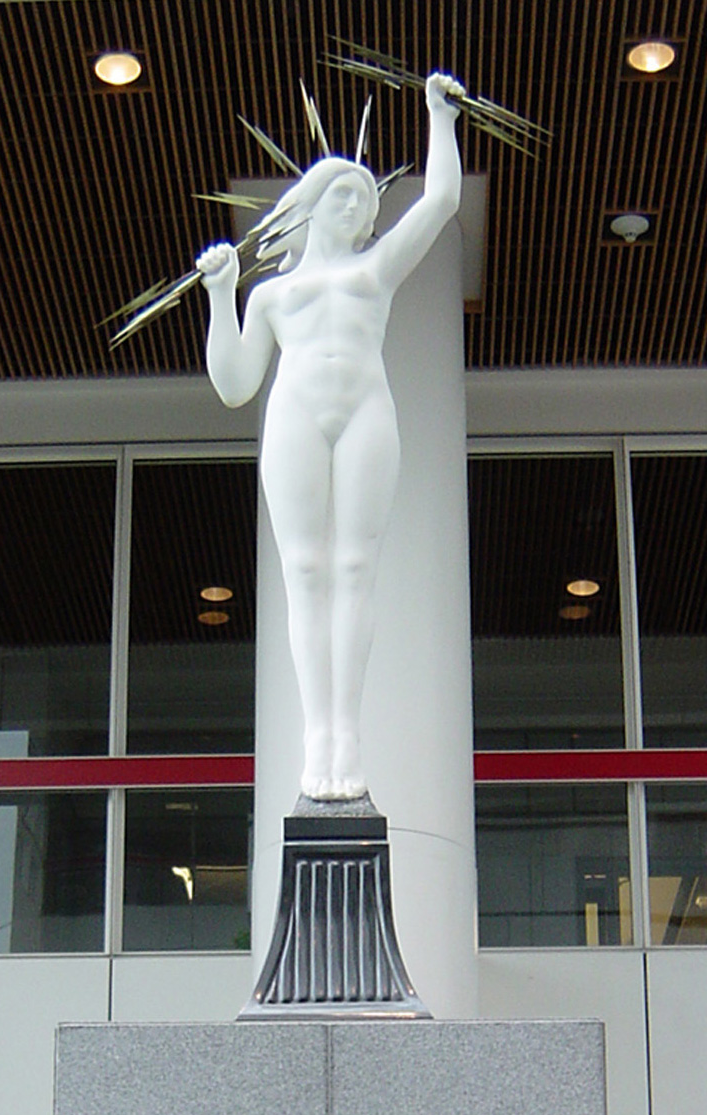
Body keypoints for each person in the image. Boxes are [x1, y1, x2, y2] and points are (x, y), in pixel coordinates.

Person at [197, 72, 463, 802]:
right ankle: (319, 732)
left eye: (366, 201)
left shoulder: (376, 269)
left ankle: (347, 732)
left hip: (366, 414)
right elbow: (235, 383)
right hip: (296, 417)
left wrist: (438, 117)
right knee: (305, 573)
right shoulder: (271, 294)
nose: (357, 208)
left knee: (354, 569)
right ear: (311, 205)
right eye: (343, 195)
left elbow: (441, 199)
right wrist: (219, 296)